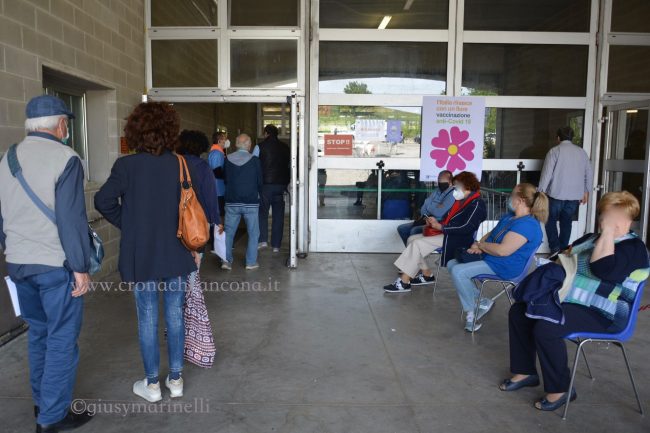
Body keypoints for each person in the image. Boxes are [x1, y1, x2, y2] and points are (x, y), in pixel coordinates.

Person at [501, 191, 649, 412]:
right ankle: (525, 372)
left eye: (613, 216)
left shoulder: (634, 248)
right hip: (571, 300)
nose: (605, 220)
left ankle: (560, 390)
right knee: (519, 311)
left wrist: (608, 233)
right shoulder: (590, 238)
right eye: (605, 214)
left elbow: (604, 270)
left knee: (547, 328)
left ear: (628, 220)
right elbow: (561, 256)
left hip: (605, 313)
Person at [94, 102, 199, 403]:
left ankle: (152, 385)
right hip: (177, 251)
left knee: (148, 318)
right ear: (170, 131)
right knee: (175, 316)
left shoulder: (126, 166)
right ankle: (176, 380)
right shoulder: (180, 164)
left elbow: (103, 201)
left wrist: (130, 224)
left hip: (142, 255)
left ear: (135, 132)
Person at [0, 95, 93, 432]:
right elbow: (71, 219)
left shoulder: (7, 158)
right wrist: (80, 267)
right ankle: (52, 417)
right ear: (61, 124)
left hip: (17, 264)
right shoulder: (67, 158)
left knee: (38, 334)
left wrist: (12, 250)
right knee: (61, 339)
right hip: (55, 266)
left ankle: (43, 403)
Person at [447, 183, 548, 332]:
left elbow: (503, 251)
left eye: (512, 194)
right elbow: (492, 234)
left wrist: (481, 246)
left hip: (505, 266)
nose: (509, 197)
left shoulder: (528, 225)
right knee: (451, 264)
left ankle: (471, 313)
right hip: (490, 257)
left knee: (459, 271)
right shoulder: (510, 217)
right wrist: (478, 244)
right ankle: (481, 301)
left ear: (520, 200)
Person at [384, 172, 487, 293]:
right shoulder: (461, 201)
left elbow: (466, 227)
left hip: (457, 238)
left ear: (466, 186)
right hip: (448, 233)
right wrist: (436, 223)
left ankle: (404, 282)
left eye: (456, 186)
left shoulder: (476, 204)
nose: (454, 189)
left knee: (417, 244)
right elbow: (448, 218)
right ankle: (427, 274)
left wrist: (441, 227)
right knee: (412, 239)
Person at [538, 126, 593, 255]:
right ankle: (563, 250)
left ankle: (555, 249)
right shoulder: (582, 152)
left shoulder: (554, 151)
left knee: (550, 220)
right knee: (566, 222)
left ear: (558, 138)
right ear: (572, 137)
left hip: (556, 194)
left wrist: (541, 191)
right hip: (574, 195)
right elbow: (588, 173)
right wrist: (586, 191)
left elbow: (547, 174)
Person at [176, 130, 224, 253]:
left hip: (176, 216)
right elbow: (210, 196)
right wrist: (216, 219)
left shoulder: (174, 163)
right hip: (198, 217)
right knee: (196, 253)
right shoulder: (203, 167)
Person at [223, 134, 263, 270]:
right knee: (253, 233)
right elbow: (260, 182)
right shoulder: (255, 160)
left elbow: (226, 179)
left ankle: (226, 261)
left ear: (236, 144)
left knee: (228, 233)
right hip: (251, 202)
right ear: (249, 145)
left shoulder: (227, 159)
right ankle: (250, 262)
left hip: (232, 201)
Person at [396, 170, 455, 245]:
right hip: (426, 220)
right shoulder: (436, 190)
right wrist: (435, 205)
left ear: (450, 182)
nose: (440, 184)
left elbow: (439, 213)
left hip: (438, 223)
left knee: (414, 231)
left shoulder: (452, 194)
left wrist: (429, 204)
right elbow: (423, 210)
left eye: (443, 182)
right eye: (439, 181)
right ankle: (411, 250)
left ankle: (415, 250)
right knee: (402, 229)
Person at [257, 124, 290, 252]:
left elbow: (254, 164)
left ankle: (263, 240)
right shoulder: (285, 147)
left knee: (262, 213)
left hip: (265, 185)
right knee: (278, 216)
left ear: (266, 133)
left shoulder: (260, 147)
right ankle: (276, 245)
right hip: (281, 185)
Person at [208, 132, 229, 218]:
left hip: (219, 188)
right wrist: (228, 177)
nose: (226, 141)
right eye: (224, 139)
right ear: (219, 141)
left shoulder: (218, 152)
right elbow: (217, 171)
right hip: (217, 189)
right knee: (219, 214)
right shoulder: (216, 153)